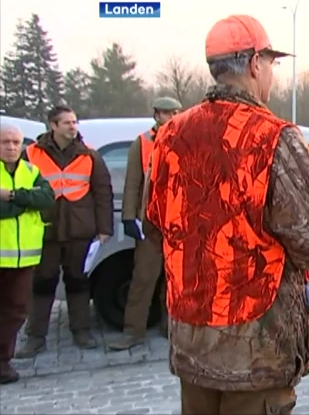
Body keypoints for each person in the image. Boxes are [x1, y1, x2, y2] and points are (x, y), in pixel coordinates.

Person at [145, 14, 309, 414]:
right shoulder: (271, 136)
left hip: (192, 344)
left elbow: (156, 224)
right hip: (256, 350)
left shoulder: (168, 136)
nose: (272, 73)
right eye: (271, 63)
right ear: (255, 63)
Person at [16, 106, 114, 358]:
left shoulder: (90, 155)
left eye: (75, 122)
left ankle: (81, 331)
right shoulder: (30, 154)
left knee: (79, 282)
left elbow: (103, 193)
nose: (73, 126)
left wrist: (104, 228)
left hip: (79, 230)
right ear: (53, 125)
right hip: (45, 229)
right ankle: (35, 336)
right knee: (42, 283)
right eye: (67, 123)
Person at [107, 97, 182, 350]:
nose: (171, 116)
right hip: (150, 222)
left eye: (175, 112)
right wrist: (129, 217)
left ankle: (170, 327)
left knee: (175, 281)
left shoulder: (185, 139)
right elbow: (132, 183)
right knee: (143, 278)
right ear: (156, 114)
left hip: (178, 223)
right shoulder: (141, 143)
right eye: (167, 112)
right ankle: (133, 331)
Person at [0, 124, 55, 384]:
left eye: (15, 142)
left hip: (24, 258)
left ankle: (2, 361)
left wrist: (11, 196)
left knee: (17, 310)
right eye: (5, 142)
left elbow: (46, 197)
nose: (11, 147)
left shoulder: (31, 171)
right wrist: (23, 204)